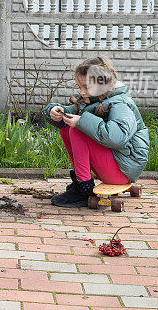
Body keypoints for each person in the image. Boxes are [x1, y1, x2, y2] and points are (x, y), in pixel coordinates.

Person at [44, 56, 149, 208]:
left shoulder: (120, 103)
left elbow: (117, 137)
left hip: (123, 169)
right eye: (79, 86)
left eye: (86, 87)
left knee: (78, 129)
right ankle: (81, 181)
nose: (81, 92)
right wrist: (55, 111)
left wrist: (81, 122)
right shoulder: (96, 99)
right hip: (114, 163)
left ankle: (83, 189)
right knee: (67, 125)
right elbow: (73, 111)